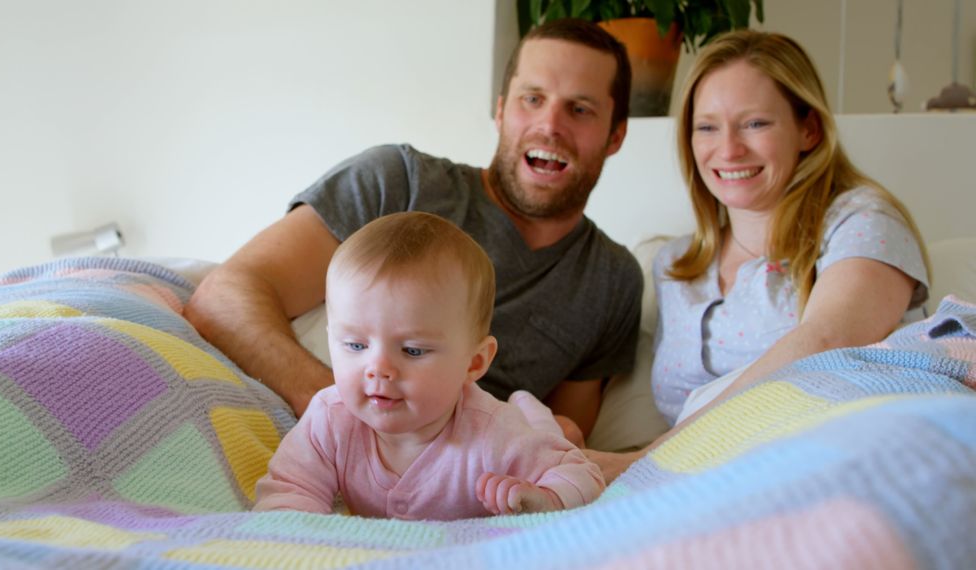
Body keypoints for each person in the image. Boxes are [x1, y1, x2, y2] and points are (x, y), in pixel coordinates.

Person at [183, 18, 643, 443]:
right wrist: (352, 422)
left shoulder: (612, 279)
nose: (550, 126)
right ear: (501, 111)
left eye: (580, 109)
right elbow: (223, 298)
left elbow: (565, 439)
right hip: (312, 446)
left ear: (616, 136)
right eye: (533, 99)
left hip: (469, 485)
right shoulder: (399, 181)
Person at [586, 30, 930, 480]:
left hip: (835, 467)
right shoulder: (674, 266)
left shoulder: (861, 221)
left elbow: (825, 343)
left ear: (808, 129)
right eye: (707, 126)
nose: (728, 149)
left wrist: (642, 463)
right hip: (694, 486)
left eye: (755, 124)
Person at [253, 212, 605, 519]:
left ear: (476, 361)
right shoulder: (330, 419)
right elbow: (290, 492)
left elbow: (584, 476)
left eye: (413, 351)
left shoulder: (494, 435)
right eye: (356, 345)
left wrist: (545, 497)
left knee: (544, 432)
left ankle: (530, 409)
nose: (378, 368)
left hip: (515, 425)